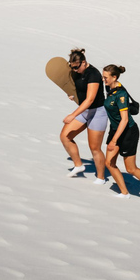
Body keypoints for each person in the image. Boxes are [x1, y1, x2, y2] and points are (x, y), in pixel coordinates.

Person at [102, 64, 140, 205]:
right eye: (103, 77)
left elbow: (125, 119)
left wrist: (114, 140)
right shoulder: (109, 87)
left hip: (128, 132)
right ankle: (124, 192)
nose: (103, 80)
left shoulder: (121, 94)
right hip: (115, 130)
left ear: (114, 77)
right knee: (109, 163)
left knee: (131, 168)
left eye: (105, 77)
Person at [59, 48, 108, 183]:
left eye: (76, 67)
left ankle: (101, 178)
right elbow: (80, 90)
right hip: (85, 111)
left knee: (94, 148)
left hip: (98, 112)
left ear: (84, 63)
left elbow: (90, 99)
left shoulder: (93, 74)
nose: (74, 70)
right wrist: (72, 94)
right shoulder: (76, 72)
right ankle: (79, 165)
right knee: (65, 136)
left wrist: (72, 115)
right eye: (72, 67)